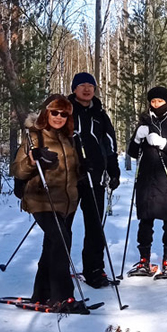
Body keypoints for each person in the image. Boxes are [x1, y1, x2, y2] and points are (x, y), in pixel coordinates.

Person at [11, 95, 85, 313]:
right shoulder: (34, 137)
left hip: (67, 202)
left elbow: (73, 172)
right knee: (62, 241)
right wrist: (33, 160)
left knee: (52, 245)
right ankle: (62, 297)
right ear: (46, 113)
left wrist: (84, 168)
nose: (59, 117)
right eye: (55, 112)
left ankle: (42, 292)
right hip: (40, 199)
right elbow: (17, 170)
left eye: (64, 114)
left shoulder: (69, 138)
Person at [126, 87, 167, 279]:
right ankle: (144, 259)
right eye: (153, 101)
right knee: (145, 219)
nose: (156, 104)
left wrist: (162, 143)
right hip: (147, 178)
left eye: (160, 101)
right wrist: (137, 138)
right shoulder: (144, 121)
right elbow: (133, 153)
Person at [68, 72, 121, 289]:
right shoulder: (65, 111)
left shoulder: (100, 114)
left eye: (91, 85)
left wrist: (113, 169)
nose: (87, 89)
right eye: (82, 85)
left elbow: (109, 142)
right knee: (62, 227)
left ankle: (94, 270)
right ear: (74, 89)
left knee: (94, 227)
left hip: (95, 178)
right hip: (70, 178)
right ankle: (59, 269)